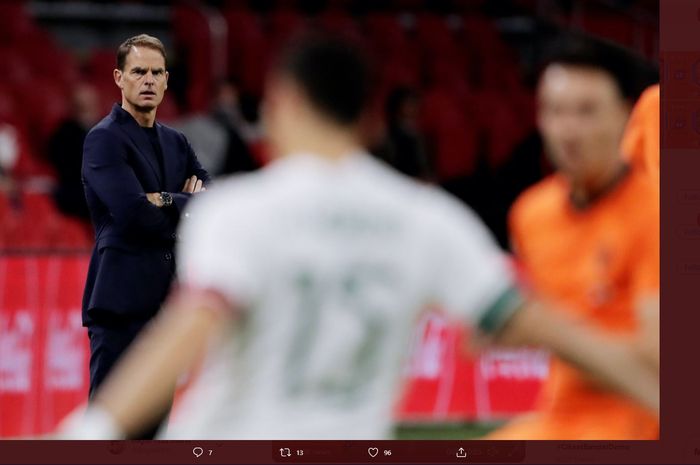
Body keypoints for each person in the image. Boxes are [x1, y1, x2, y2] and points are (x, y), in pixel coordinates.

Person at [59, 33, 657, 440]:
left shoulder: (240, 213)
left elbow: (189, 329)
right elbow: (544, 328)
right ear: (373, 118)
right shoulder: (428, 220)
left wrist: (87, 432)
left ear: (283, 104)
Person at [487, 41, 660, 440]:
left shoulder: (655, 216)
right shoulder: (532, 214)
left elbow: (657, 363)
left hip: (641, 416)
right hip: (561, 415)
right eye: (555, 112)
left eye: (586, 112)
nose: (569, 130)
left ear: (622, 114)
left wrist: (543, 330)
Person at [80, 34, 210, 439]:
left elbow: (212, 202)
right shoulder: (103, 139)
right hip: (120, 305)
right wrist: (184, 201)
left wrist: (165, 200)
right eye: (139, 72)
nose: (148, 80)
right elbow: (133, 214)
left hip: (165, 308)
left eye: (156, 72)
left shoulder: (176, 141)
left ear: (167, 80)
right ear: (120, 78)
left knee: (153, 434)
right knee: (111, 431)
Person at [48, 83, 101, 222]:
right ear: (73, 107)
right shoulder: (64, 133)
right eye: (81, 105)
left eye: (90, 104)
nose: (87, 109)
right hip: (77, 191)